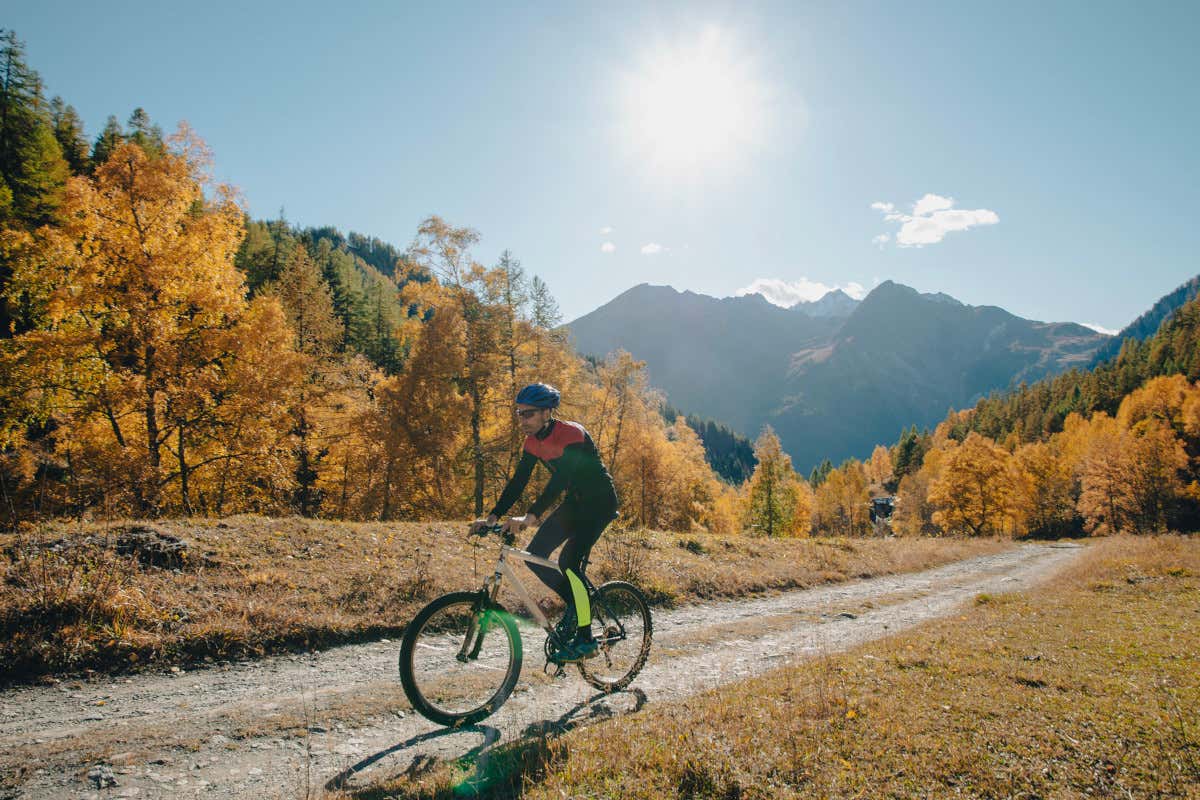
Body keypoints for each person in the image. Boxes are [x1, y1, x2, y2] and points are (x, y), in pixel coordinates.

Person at [471, 382, 619, 662]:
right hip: (575, 504)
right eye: (519, 414)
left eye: (529, 414)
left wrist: (531, 516)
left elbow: (559, 480)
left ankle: (586, 639)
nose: (522, 420)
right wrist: (492, 515)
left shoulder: (571, 434)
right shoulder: (532, 442)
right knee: (535, 555)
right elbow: (518, 481)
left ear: (547, 412)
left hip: (599, 503)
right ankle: (578, 604)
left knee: (569, 563)